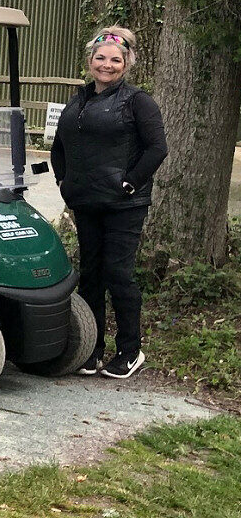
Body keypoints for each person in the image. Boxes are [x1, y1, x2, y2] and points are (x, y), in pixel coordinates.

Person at [50, 26, 166, 379]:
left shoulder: (137, 101)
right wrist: (62, 179)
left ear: (126, 63)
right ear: (90, 61)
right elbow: (61, 144)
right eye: (100, 58)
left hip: (123, 206)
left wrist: (129, 184)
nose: (107, 65)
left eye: (115, 60)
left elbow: (157, 148)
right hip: (86, 202)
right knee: (91, 276)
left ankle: (130, 350)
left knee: (118, 275)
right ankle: (92, 348)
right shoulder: (79, 99)